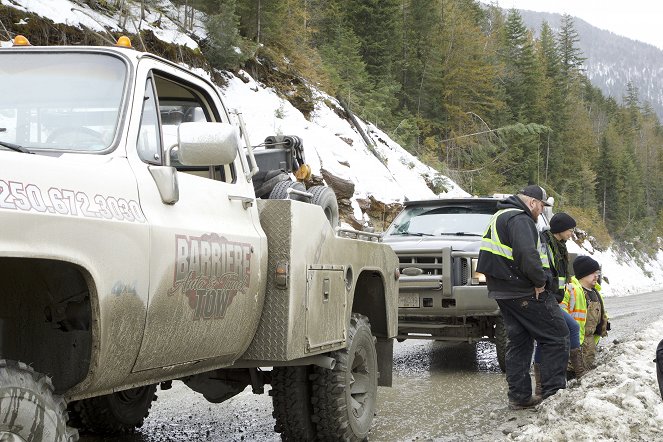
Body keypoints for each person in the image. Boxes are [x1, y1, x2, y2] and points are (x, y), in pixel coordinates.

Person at [477, 185, 569, 409]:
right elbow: (527, 255)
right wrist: (540, 282)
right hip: (524, 290)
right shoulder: (520, 219)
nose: (541, 212)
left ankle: (519, 397)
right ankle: (553, 397)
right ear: (532, 203)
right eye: (541, 206)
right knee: (557, 335)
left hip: (504, 291)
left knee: (519, 342)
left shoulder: (500, 215)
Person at [533, 213, 583, 396]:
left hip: (553, 298)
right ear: (561, 229)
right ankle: (578, 374)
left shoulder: (559, 246)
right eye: (570, 230)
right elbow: (543, 270)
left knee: (544, 339)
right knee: (571, 327)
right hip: (545, 298)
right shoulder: (545, 245)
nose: (572, 233)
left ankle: (541, 385)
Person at [563, 255, 609, 370]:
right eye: (593, 273)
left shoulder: (596, 292)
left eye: (597, 272)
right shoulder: (571, 289)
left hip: (590, 346)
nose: (596, 276)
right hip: (573, 345)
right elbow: (560, 311)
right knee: (571, 378)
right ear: (583, 274)